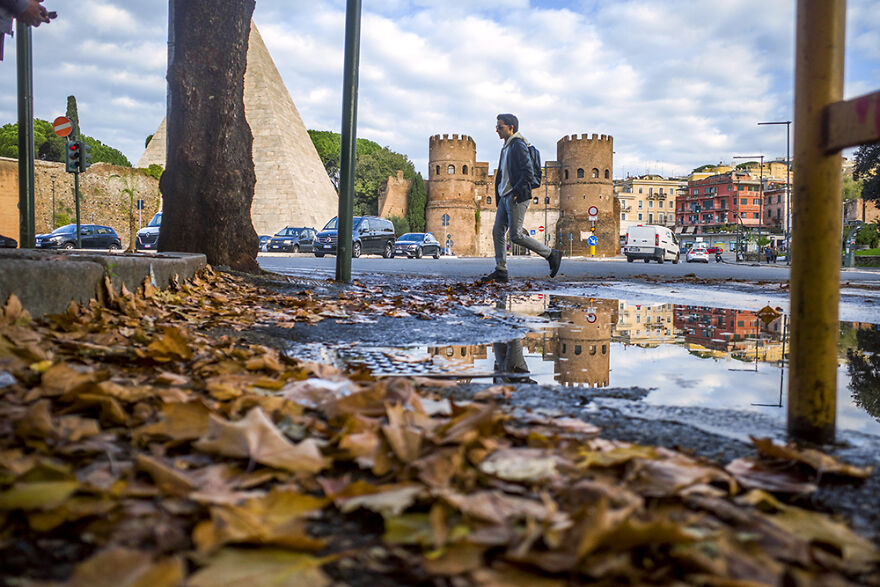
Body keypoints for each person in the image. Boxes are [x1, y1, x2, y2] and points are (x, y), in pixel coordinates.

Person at [479, 113, 562, 284]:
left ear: (511, 127)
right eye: (496, 127)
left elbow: (528, 173)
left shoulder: (518, 145)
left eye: (500, 127)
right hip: (504, 197)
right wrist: (499, 196)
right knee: (497, 232)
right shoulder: (506, 147)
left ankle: (551, 254)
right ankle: (501, 270)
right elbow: (503, 174)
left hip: (516, 196)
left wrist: (516, 192)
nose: (497, 130)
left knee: (516, 235)